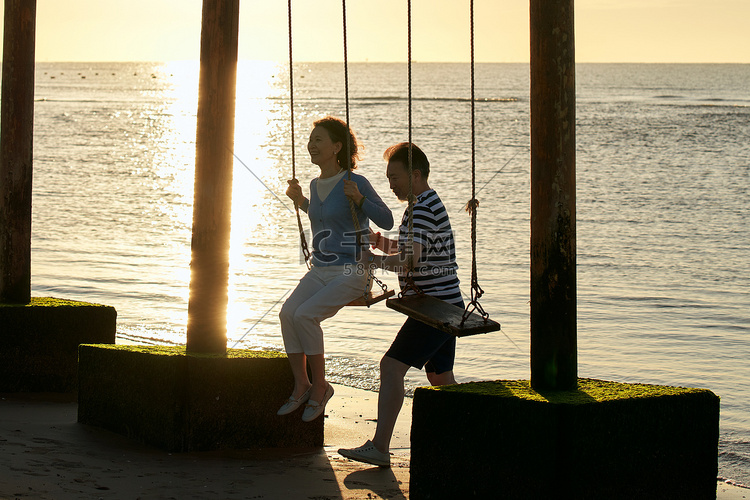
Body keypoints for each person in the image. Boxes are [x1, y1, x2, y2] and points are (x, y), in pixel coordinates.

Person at [338, 142, 461, 466]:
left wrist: (375, 259)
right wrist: (383, 242)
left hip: (434, 309)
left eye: (395, 177)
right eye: (388, 177)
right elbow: (415, 248)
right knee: (441, 378)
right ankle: (468, 437)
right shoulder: (426, 204)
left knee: (390, 368)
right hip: (447, 304)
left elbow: (409, 260)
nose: (390, 184)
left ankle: (379, 447)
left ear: (415, 174)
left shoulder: (421, 208)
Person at [278, 116, 394, 423]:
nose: (311, 145)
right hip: (321, 269)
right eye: (311, 139)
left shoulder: (355, 182)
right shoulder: (316, 185)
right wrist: (300, 199)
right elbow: (323, 216)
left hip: (353, 270)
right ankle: (302, 384)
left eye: (318, 140)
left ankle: (321, 388)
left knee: (306, 315)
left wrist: (360, 199)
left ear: (336, 146)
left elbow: (387, 220)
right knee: (288, 313)